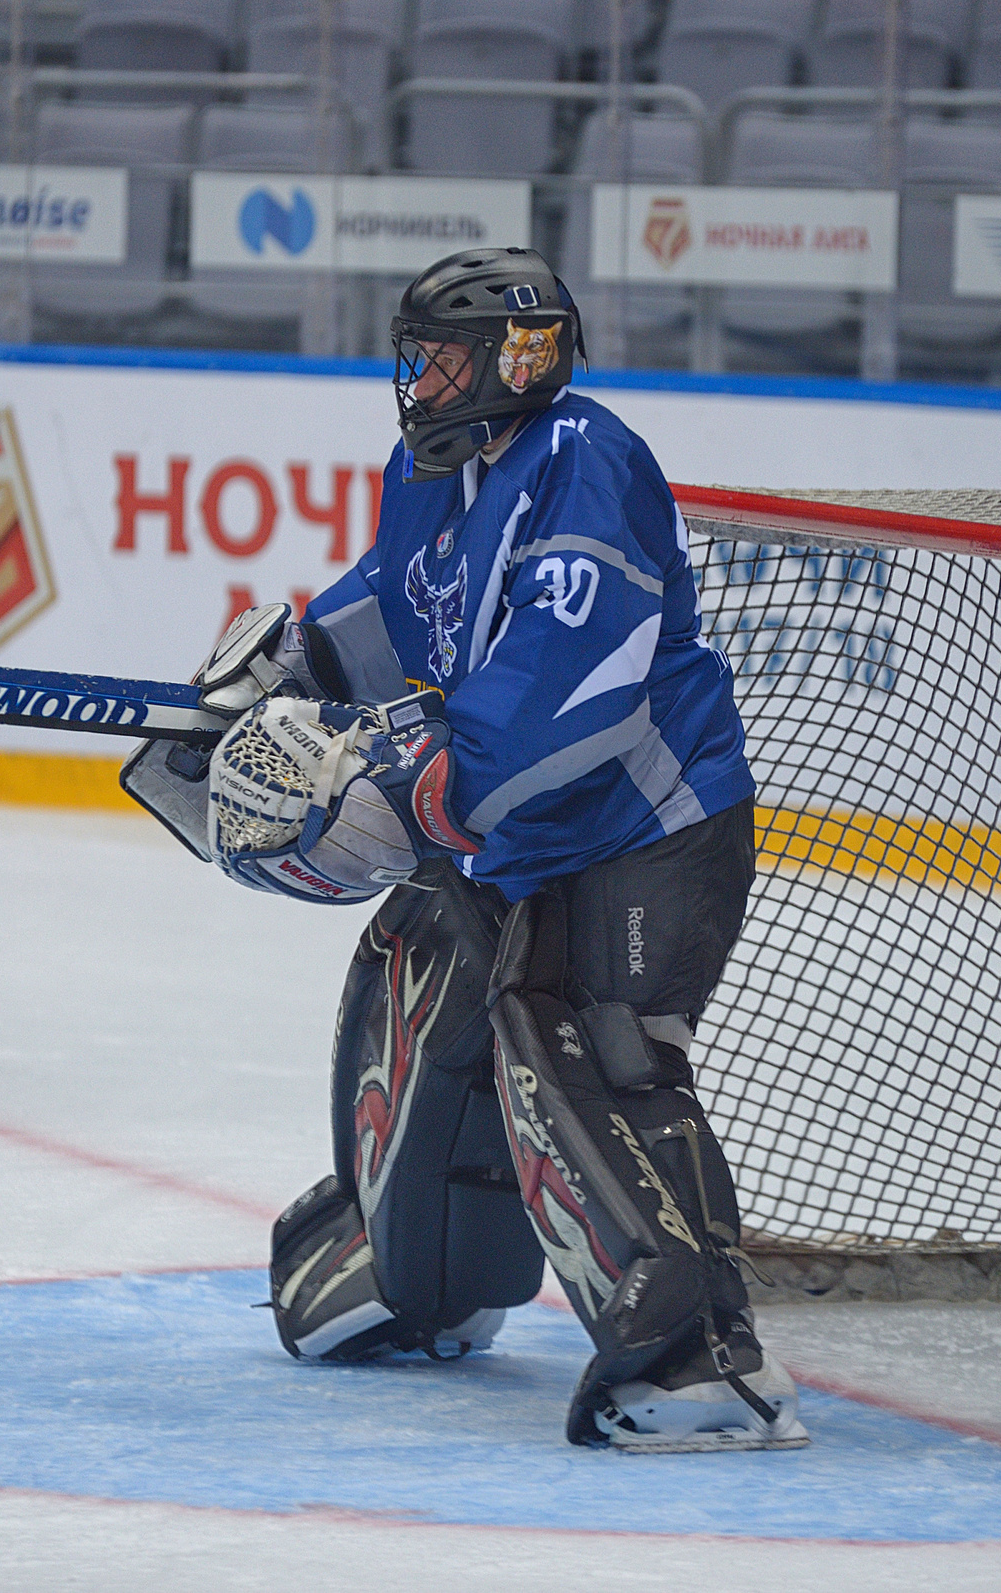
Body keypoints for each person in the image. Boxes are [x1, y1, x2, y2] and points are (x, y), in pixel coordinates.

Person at [125, 247, 805, 1451]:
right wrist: (296, 666)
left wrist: (436, 790)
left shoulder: (585, 459)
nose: (420, 380)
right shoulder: (432, 465)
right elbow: (402, 602)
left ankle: (702, 1361)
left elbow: (577, 674)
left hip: (647, 827)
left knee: (598, 1049)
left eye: (443, 358)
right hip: (529, 830)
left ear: (517, 359)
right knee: (440, 978)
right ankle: (419, 1274)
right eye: (419, 357)